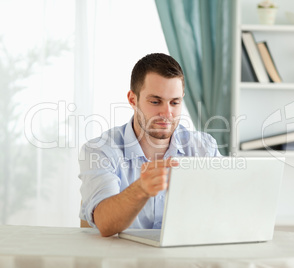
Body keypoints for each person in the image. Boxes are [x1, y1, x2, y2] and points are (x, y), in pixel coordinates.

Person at [79, 53, 221, 237]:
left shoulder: (204, 148)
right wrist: (141, 189)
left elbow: (223, 206)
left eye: (175, 102)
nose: (167, 113)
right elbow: (105, 223)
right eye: (155, 101)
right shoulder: (100, 150)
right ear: (133, 100)